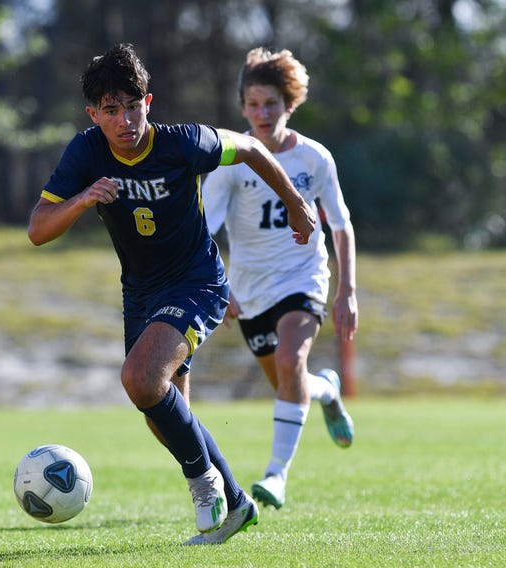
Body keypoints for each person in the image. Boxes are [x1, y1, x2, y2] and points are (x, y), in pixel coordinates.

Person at [27, 43, 316, 544]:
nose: (124, 120)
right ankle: (237, 503)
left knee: (140, 378)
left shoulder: (185, 143)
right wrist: (83, 199)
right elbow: (37, 229)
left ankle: (205, 487)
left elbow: (249, 148)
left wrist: (293, 203)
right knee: (163, 413)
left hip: (197, 282)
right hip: (139, 293)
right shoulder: (86, 152)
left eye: (132, 106)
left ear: (148, 102)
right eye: (111, 111)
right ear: (93, 114)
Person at [202, 47, 358, 511]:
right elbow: (204, 228)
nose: (261, 113)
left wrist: (347, 291)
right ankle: (327, 390)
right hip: (249, 289)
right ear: (242, 106)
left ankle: (276, 475)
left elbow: (341, 225)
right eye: (252, 104)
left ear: (289, 103)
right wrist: (219, 285)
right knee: (292, 382)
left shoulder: (315, 159)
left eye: (270, 103)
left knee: (290, 360)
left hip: (303, 278)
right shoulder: (232, 158)